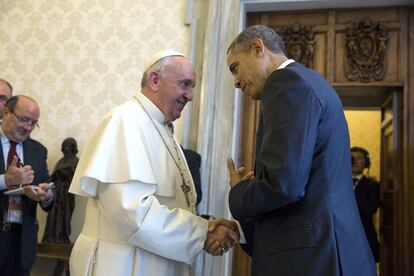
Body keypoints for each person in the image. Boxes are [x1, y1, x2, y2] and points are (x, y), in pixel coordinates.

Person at [69, 50, 239, 276]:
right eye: (184, 84)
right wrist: (202, 232)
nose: (189, 95)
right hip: (123, 265)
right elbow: (131, 212)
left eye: (192, 87)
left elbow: (172, 205)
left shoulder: (161, 128)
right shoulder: (125, 122)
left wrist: (205, 226)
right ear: (155, 80)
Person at [226, 25, 376, 275]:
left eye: (235, 67)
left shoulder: (287, 83)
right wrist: (242, 230)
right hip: (326, 252)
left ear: (257, 48)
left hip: (315, 259)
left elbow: (284, 184)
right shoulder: (310, 82)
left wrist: (238, 193)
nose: (236, 82)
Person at [0, 95, 54, 276]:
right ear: (6, 113)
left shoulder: (38, 150)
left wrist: (46, 196)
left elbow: (46, 187)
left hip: (22, 241)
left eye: (34, 123)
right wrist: (5, 181)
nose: (28, 128)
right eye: (24, 120)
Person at [42, 137, 79, 244]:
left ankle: (62, 236)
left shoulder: (76, 161)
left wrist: (66, 175)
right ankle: (51, 237)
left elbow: (77, 180)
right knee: (53, 215)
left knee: (64, 215)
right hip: (56, 192)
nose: (65, 148)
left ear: (72, 147)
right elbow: (53, 177)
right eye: (64, 145)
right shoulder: (61, 161)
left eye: (67, 145)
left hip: (67, 194)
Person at [351, 146, 380, 263]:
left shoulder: (372, 185)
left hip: (364, 236)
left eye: (359, 158)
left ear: (366, 162)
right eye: (351, 158)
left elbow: (370, 210)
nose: (355, 161)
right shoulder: (337, 183)